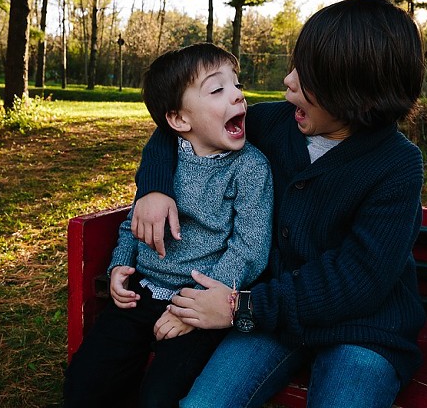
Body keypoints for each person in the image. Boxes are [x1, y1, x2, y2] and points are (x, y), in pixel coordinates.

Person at [131, 0, 427, 408]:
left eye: (305, 76)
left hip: (362, 330)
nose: (288, 81)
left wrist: (239, 307)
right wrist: (155, 186)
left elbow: (357, 279)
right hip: (273, 322)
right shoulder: (272, 124)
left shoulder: (397, 165)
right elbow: (179, 125)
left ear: (352, 93)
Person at [63, 42, 275, 408]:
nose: (238, 96)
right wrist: (119, 265)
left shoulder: (250, 167)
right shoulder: (165, 164)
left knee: (162, 395)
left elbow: (249, 247)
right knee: (86, 381)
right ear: (179, 120)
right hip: (141, 292)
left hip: (196, 304)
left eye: (237, 84)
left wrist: (199, 305)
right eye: (218, 88)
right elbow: (136, 217)